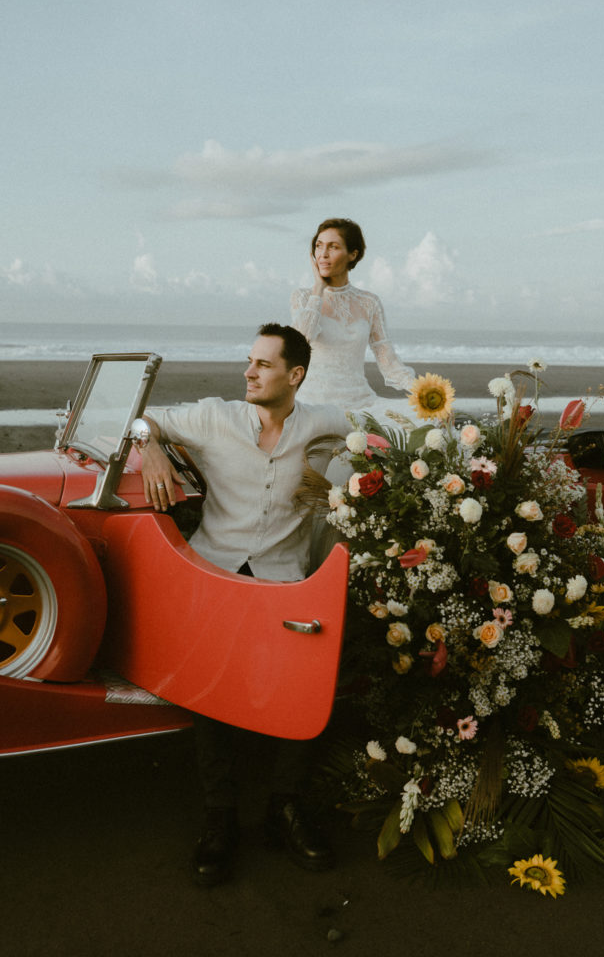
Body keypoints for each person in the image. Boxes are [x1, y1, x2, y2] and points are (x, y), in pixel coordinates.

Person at [138, 323, 349, 886]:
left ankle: (286, 807)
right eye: (249, 361)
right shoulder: (215, 416)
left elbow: (379, 433)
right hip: (214, 575)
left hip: (284, 580)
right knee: (212, 694)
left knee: (304, 682)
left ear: (295, 375)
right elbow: (142, 415)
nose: (249, 372)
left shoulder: (323, 423)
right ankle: (221, 816)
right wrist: (152, 448)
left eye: (263, 364)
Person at [290, 218, 415, 415]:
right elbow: (300, 342)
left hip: (361, 403)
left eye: (333, 247)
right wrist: (318, 289)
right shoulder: (304, 297)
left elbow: (388, 361)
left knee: (429, 421)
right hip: (312, 406)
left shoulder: (369, 302)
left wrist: (423, 391)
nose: (323, 254)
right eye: (318, 246)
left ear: (352, 254)